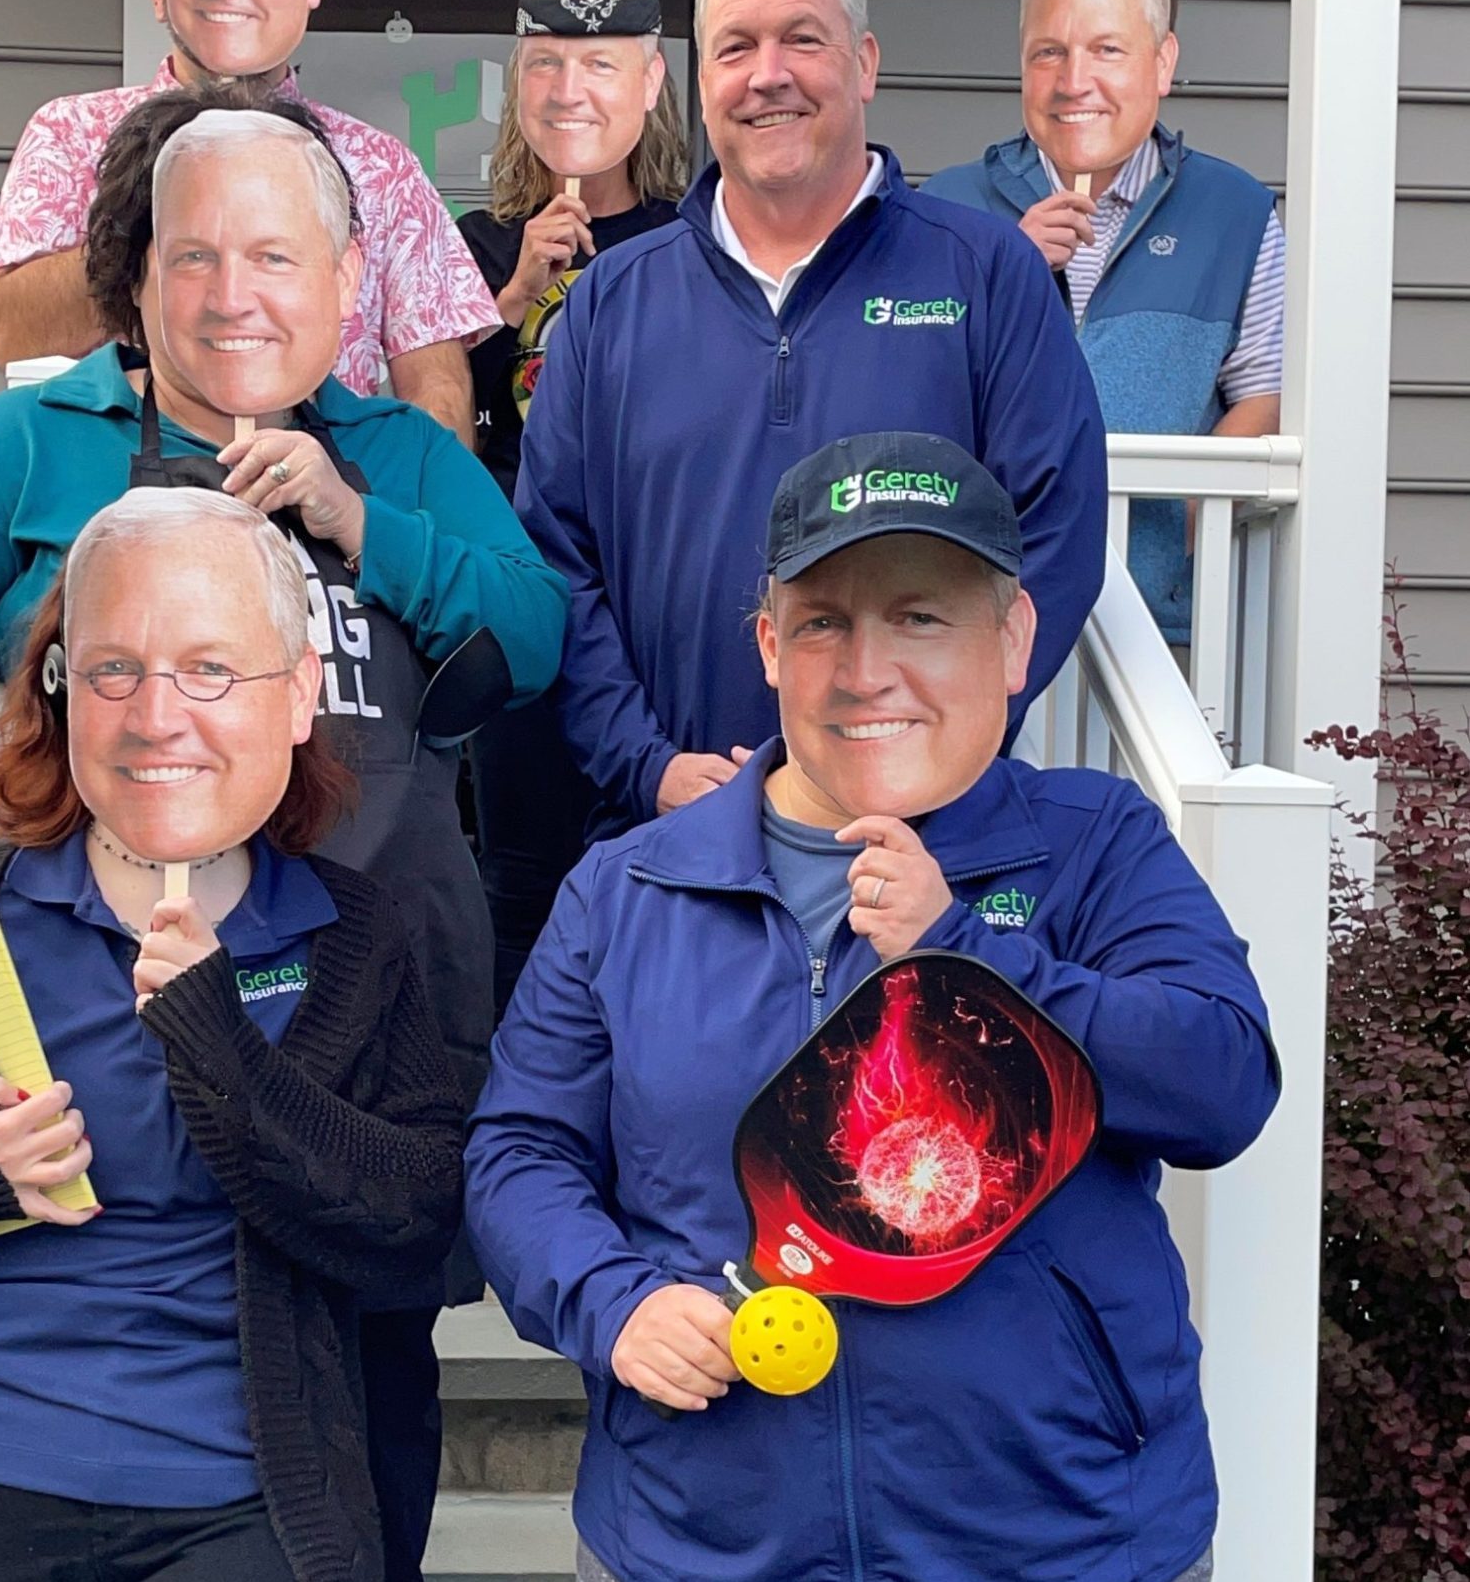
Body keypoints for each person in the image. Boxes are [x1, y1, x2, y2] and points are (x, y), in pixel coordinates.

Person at [0, 98, 567, 1579]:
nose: (235, 296)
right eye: (196, 255)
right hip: (99, 1040)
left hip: (362, 1032)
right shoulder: (39, 437)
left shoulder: (399, 453)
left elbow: (529, 642)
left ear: (346, 287)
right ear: (137, 276)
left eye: (276, 258)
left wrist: (354, 516)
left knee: (356, 1431)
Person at [467, 431, 1277, 1582]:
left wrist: (967, 954)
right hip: (700, 1543)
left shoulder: (1095, 848)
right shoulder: (629, 885)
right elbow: (520, 1151)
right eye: (824, 622)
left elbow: (1223, 1084)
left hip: (1067, 1541)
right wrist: (614, 1302)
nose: (867, 668)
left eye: (922, 617)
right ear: (768, 645)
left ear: (1013, 641)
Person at [0, 486, 465, 1582]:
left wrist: (226, 1054)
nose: (155, 715)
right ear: (63, 693)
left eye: (209, 669)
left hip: (237, 1495)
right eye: (113, 668)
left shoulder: (355, 940)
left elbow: (414, 1221)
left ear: (300, 692)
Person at [516, 0, 1108, 838]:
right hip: (670, 840)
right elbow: (556, 560)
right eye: (735, 48)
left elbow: (1054, 535)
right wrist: (643, 763)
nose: (767, 75)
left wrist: (922, 750)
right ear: (701, 81)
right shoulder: (609, 305)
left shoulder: (985, 278)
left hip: (919, 841)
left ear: (863, 63)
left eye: (801, 38)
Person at [0, 0, 497, 444]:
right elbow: (12, 337)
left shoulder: (382, 167)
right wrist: (155, 203)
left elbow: (438, 390)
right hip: (115, 513)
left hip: (315, 516)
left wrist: (384, 525)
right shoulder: (71, 132)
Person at [923, 0, 1283, 643]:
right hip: (975, 633)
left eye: (1106, 50)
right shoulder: (943, 212)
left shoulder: (1234, 212)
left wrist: (1170, 541)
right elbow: (905, 387)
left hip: (1162, 640)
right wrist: (1006, 273)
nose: (1072, 80)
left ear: (1163, 63)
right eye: (1047, 52)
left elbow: (1261, 396)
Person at [456, 0, 690, 1010]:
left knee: (661, 869)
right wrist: (513, 295)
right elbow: (436, 425)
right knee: (521, 879)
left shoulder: (696, 239)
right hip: (521, 598)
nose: (569, 87)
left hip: (648, 595)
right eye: (546, 61)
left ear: (649, 83)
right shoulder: (477, 242)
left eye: (599, 61)